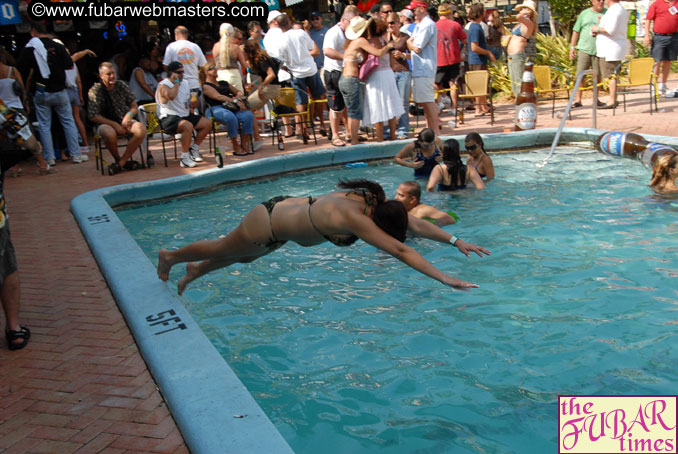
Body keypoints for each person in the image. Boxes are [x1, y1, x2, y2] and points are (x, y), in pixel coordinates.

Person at [157, 179, 491, 295]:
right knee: (225, 248)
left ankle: (196, 270)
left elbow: (414, 224)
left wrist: (454, 241)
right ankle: (171, 256)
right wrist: (444, 278)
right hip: (268, 224)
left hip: (278, 226)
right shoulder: (356, 218)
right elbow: (401, 250)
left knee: (242, 255)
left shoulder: (375, 200)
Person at [17, 21, 86, 165]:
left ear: (33, 31)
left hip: (42, 90)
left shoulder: (31, 48)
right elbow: (69, 65)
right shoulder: (58, 46)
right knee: (68, 122)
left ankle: (49, 158)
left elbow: (21, 68)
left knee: (44, 125)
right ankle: (76, 154)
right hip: (60, 90)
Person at [339, 17, 396, 146]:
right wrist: (389, 46)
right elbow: (379, 52)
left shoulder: (351, 42)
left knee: (352, 111)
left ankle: (352, 137)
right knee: (355, 113)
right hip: (351, 79)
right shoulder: (360, 40)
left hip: (345, 79)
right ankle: (354, 141)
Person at [88, 62, 148, 174]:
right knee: (109, 133)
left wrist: (128, 116)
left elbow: (134, 105)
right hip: (104, 123)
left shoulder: (121, 85)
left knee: (141, 129)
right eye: (108, 74)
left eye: (113, 73)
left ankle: (121, 163)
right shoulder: (95, 90)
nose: (112, 76)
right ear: (101, 76)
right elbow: (93, 116)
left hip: (123, 119)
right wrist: (114, 124)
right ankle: (118, 160)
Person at [276, 13, 328, 140]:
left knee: (300, 101)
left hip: (296, 73)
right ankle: (322, 124)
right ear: (289, 22)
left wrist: (290, 66)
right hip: (310, 69)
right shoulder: (300, 33)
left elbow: (280, 60)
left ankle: (304, 128)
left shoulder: (281, 40)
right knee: (319, 97)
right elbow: (313, 48)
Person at [155, 61, 212, 168]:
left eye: (183, 72)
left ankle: (193, 149)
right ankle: (184, 157)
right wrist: (176, 82)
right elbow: (171, 96)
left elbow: (188, 101)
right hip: (169, 117)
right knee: (188, 126)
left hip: (184, 115)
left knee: (207, 123)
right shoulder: (163, 85)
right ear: (172, 73)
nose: (182, 74)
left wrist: (192, 103)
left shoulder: (185, 83)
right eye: (179, 72)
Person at [363, 18, 405, 142]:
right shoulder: (386, 42)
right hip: (388, 74)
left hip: (375, 77)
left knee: (377, 107)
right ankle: (393, 136)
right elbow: (391, 61)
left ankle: (380, 139)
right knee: (391, 106)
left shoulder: (368, 42)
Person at [200, 62, 254, 157]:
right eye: (211, 68)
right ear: (206, 72)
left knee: (248, 116)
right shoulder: (206, 86)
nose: (215, 69)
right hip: (215, 108)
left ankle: (244, 143)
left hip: (230, 106)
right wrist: (236, 101)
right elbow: (218, 97)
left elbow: (238, 91)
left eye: (215, 67)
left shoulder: (224, 83)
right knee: (230, 117)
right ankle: (235, 144)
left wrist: (238, 96)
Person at [323, 9, 358, 147]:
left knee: (347, 104)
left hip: (345, 71)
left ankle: (349, 131)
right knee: (335, 106)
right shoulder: (333, 32)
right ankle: (335, 134)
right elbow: (327, 51)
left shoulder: (350, 33)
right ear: (344, 21)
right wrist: (346, 57)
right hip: (334, 71)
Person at [406, 0, 439, 131]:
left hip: (425, 68)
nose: (412, 13)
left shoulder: (427, 25)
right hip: (420, 68)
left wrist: (409, 44)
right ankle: (430, 128)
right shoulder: (421, 25)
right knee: (424, 102)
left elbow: (417, 47)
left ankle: (435, 130)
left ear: (421, 9)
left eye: (414, 10)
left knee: (429, 101)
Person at [591, 0, 628, 109]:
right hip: (612, 47)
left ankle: (612, 100)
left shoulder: (615, 10)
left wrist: (596, 28)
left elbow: (610, 29)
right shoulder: (618, 9)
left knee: (611, 75)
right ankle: (613, 98)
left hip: (611, 48)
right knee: (613, 74)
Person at [569, 0, 606, 108]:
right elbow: (576, 30)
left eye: (603, 0)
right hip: (584, 49)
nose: (601, 2)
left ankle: (596, 99)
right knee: (580, 75)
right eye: (598, 0)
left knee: (598, 76)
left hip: (599, 50)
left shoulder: (607, 13)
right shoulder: (584, 13)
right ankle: (578, 100)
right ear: (593, 2)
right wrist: (572, 47)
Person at [435, 3, 467, 116]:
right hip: (454, 58)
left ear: (438, 13)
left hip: (439, 59)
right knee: (453, 83)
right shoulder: (456, 25)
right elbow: (465, 40)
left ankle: (441, 100)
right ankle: (453, 107)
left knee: (434, 83)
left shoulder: (434, 26)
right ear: (449, 13)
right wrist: (462, 52)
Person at [643, 0, 678, 96]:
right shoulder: (657, 4)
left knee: (668, 61)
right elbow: (648, 19)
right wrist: (647, 35)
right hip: (659, 37)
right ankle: (654, 86)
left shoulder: (676, 3)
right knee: (657, 61)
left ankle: (663, 85)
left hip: (674, 36)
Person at [466, 3, 496, 117]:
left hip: (479, 60)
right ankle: (478, 108)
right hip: (477, 60)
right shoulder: (475, 27)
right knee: (479, 85)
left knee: (482, 84)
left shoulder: (477, 26)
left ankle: (483, 106)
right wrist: (488, 52)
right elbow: (474, 47)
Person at [387, 12, 413, 140]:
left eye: (393, 22)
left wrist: (403, 55)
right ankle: (389, 130)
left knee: (403, 102)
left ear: (398, 23)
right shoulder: (386, 38)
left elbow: (413, 54)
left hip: (403, 72)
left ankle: (402, 130)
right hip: (389, 72)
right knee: (389, 102)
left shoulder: (406, 37)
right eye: (388, 23)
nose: (390, 25)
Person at [163, 26, 207, 94]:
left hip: (178, 84)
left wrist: (173, 77)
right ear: (187, 34)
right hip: (194, 84)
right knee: (195, 103)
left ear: (176, 34)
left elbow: (166, 66)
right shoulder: (195, 47)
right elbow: (203, 66)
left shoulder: (171, 47)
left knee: (181, 104)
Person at [506, 0, 537, 97]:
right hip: (512, 55)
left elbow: (518, 17)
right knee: (514, 81)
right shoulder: (522, 23)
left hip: (517, 54)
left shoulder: (529, 23)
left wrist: (523, 13)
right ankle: (518, 103)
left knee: (519, 80)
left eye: (524, 8)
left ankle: (523, 103)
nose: (521, 10)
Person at [212, 23, 248, 94]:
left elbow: (215, 62)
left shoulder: (215, 46)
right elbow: (244, 65)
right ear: (232, 34)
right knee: (239, 98)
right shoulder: (235, 47)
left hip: (220, 75)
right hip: (233, 75)